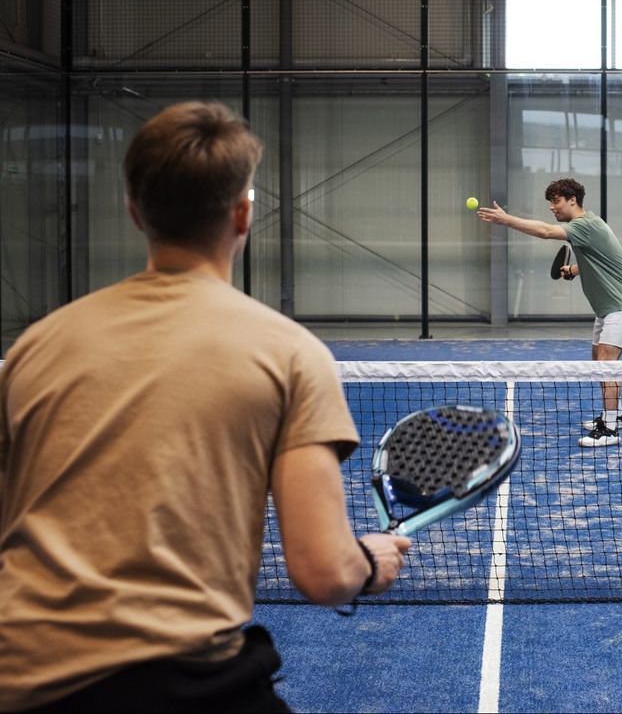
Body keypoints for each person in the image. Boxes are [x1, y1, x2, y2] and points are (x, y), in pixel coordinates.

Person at [0, 102, 412, 712]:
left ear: (135, 210)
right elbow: (324, 573)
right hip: (176, 680)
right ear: (243, 213)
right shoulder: (290, 354)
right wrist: (371, 562)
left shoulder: (36, 346)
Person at [478, 178, 622, 449]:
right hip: (607, 306)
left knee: (606, 362)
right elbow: (601, 259)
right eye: (550, 203)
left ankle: (610, 430)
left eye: (556, 201)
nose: (552, 208)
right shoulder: (588, 227)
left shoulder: (586, 225)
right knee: (598, 359)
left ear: (572, 200)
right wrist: (573, 270)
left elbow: (545, 232)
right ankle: (616, 414)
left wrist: (506, 220)